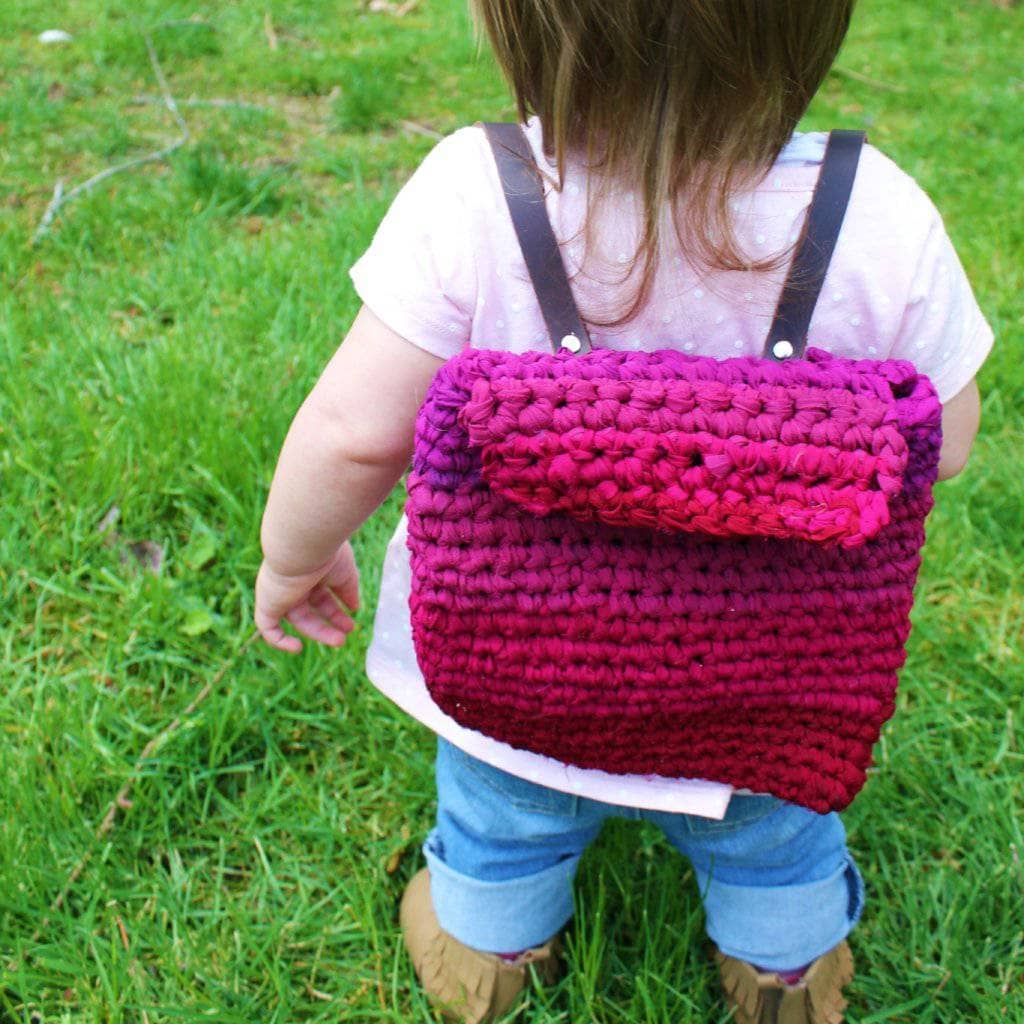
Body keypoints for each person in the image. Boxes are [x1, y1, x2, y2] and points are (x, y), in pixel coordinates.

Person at [254, 2, 992, 1021]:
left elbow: (351, 432)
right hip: (770, 690)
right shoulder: (878, 214)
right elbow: (942, 443)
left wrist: (293, 553)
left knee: (501, 819)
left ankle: (491, 960)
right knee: (775, 845)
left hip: (513, 680)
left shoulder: (475, 192)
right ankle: (785, 978)